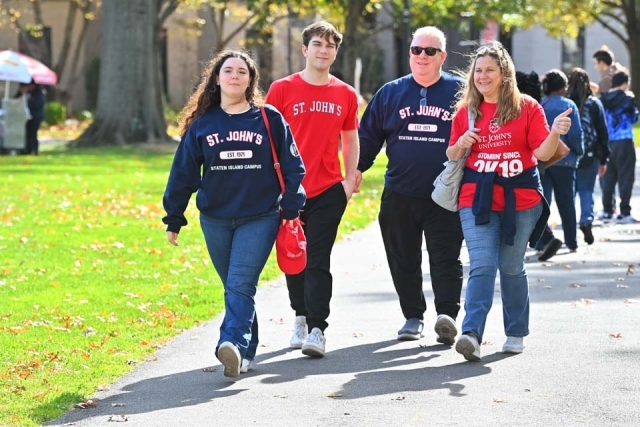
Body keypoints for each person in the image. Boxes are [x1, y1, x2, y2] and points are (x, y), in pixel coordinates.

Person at [162, 49, 306, 377]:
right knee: (234, 286)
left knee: (241, 282)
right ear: (217, 78)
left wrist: (290, 203)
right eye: (228, 71)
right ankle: (246, 351)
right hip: (215, 218)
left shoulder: (269, 118)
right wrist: (174, 215)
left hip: (260, 216)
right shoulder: (202, 125)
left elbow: (294, 166)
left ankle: (230, 343)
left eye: (242, 71)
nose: (235, 76)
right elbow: (183, 172)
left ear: (251, 80)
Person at [447, 41, 572, 361]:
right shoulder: (466, 111)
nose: (483, 76)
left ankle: (515, 332)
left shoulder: (527, 106)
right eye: (478, 70)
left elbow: (542, 154)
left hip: (522, 199)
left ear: (504, 74)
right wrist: (462, 142)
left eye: (490, 70)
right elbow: (451, 154)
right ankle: (471, 334)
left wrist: (556, 132)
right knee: (483, 264)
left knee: (512, 267)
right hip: (477, 198)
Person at [357, 26, 464, 345]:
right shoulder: (390, 92)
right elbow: (369, 135)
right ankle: (413, 316)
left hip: (445, 193)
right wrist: (357, 170)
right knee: (402, 256)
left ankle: (446, 315)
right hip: (400, 192)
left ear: (442, 56)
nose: (421, 56)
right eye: (416, 50)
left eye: (430, 51)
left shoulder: (460, 92)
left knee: (445, 258)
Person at [265, 21, 360, 358]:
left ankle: (318, 328)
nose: (323, 50)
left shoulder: (345, 94)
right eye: (318, 44)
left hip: (328, 188)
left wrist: (349, 181)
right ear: (305, 49)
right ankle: (300, 317)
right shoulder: (281, 89)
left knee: (318, 258)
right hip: (289, 190)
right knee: (294, 255)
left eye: (330, 45)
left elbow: (350, 139)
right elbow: (269, 140)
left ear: (335, 52)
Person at [515, 71, 563, 261]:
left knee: (527, 206)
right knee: (534, 203)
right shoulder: (535, 105)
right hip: (537, 163)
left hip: (522, 163)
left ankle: (546, 239)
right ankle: (544, 240)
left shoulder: (522, 107)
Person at [540, 69, 584, 253]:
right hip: (565, 161)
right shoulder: (569, 105)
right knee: (566, 202)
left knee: (543, 203)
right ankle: (571, 241)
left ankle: (542, 242)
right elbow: (575, 134)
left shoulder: (540, 104)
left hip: (544, 160)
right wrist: (579, 152)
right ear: (562, 88)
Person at [567, 67, 610, 243]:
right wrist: (604, 158)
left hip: (568, 155)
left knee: (568, 195)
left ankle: (570, 229)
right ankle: (586, 220)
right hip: (590, 154)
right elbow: (603, 132)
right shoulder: (594, 103)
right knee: (586, 190)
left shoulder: (566, 103)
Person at [599, 69, 639, 223]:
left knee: (608, 177)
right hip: (624, 141)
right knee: (626, 177)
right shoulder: (628, 98)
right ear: (625, 83)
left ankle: (608, 210)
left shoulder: (603, 99)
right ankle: (624, 211)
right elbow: (634, 118)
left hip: (608, 142)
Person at [17, 80, 45, 155]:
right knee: (27, 133)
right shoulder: (23, 93)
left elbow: (38, 104)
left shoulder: (38, 93)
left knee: (33, 133)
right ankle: (27, 149)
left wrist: (29, 100)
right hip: (24, 116)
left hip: (35, 116)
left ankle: (34, 149)